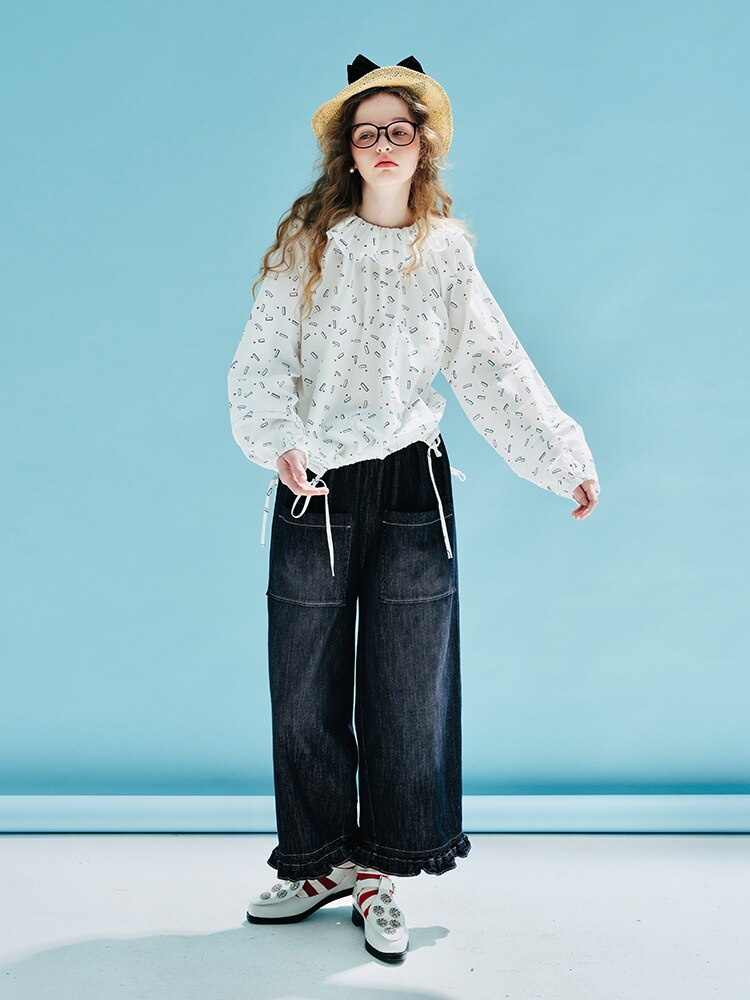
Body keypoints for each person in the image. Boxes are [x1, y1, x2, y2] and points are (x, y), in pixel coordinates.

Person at [228, 53, 600, 964]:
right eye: (368, 132)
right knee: (304, 687)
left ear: (422, 145)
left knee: (406, 689)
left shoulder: (445, 255)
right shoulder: (308, 249)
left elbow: (494, 367)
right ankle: (319, 862)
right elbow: (261, 359)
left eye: (400, 129)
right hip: (313, 483)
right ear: (348, 152)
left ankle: (380, 874)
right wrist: (278, 440)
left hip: (410, 486)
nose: (385, 144)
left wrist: (562, 459)